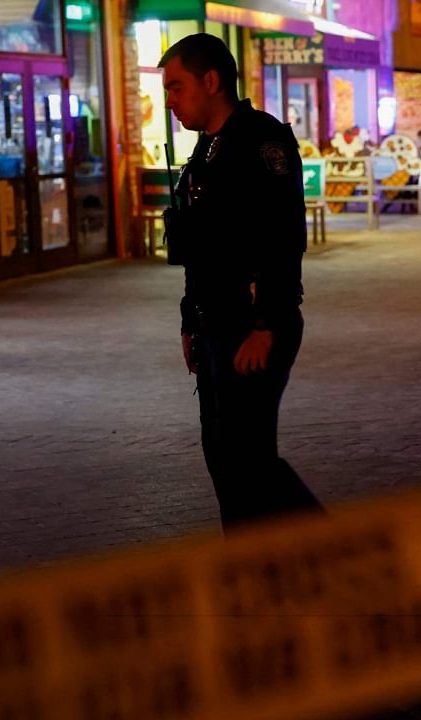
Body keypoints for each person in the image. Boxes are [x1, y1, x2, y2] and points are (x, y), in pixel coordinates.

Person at [159, 34, 320, 530]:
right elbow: (199, 254)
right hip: (214, 327)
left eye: (177, 87)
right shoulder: (205, 152)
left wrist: (266, 323)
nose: (170, 101)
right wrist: (191, 323)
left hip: (250, 327)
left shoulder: (259, 142)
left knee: (250, 460)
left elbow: (283, 237)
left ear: (212, 81)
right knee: (224, 458)